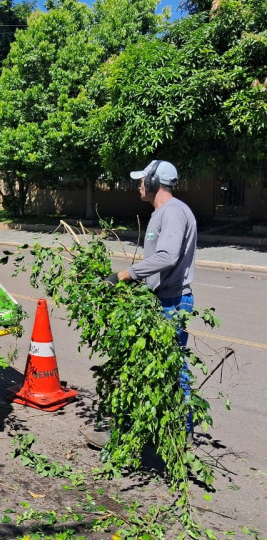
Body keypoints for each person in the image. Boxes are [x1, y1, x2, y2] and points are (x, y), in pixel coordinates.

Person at [105, 159, 197, 438]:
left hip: (172, 302)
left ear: (155, 182)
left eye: (143, 180)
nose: (139, 185)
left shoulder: (174, 212)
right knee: (145, 365)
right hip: (159, 299)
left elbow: (167, 257)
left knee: (174, 367)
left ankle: (183, 433)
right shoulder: (162, 212)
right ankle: (136, 429)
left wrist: (126, 274)